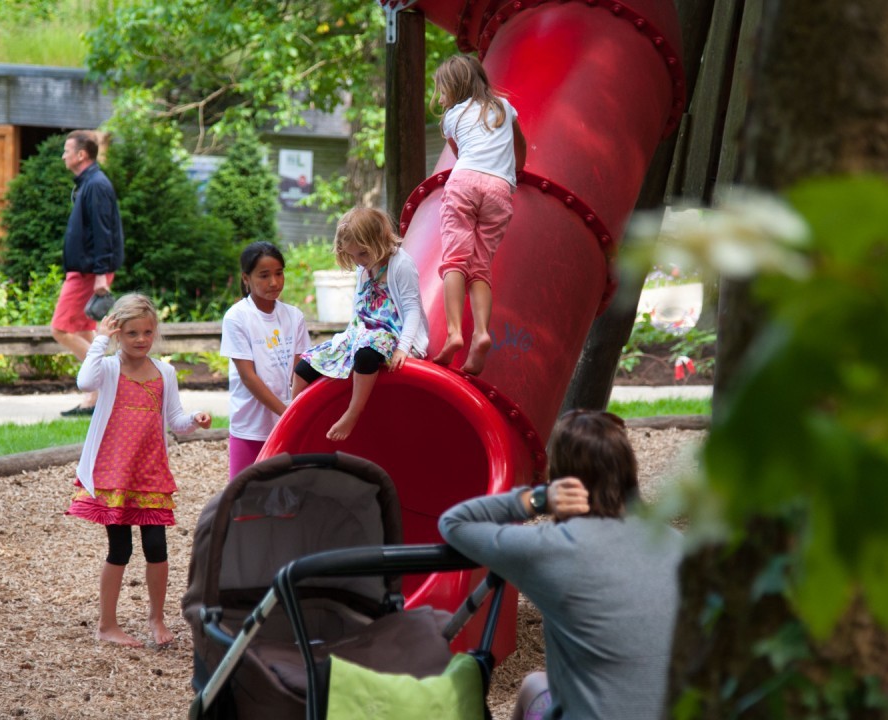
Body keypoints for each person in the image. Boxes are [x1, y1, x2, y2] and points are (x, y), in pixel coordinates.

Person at [438, 410, 682, 719]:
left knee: (533, 685)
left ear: (562, 479)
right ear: (630, 472)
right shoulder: (680, 546)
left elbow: (454, 523)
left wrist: (537, 499)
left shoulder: (550, 547)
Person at [65, 293, 212, 648]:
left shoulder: (165, 372)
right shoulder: (109, 368)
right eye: (132, 333)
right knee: (120, 550)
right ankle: (107, 624)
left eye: (147, 332)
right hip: (116, 473)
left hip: (150, 473)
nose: (141, 340)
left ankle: (156, 618)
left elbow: (175, 420)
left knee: (157, 547)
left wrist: (194, 419)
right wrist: (99, 338)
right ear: (118, 333)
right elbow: (85, 382)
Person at [292, 207, 428, 441]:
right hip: (363, 332)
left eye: (362, 254)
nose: (358, 261)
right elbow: (360, 306)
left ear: (379, 241)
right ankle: (294, 418)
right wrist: (346, 340)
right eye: (353, 256)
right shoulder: (364, 266)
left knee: (365, 355)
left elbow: (412, 308)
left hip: (391, 335)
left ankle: (353, 412)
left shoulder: (401, 265)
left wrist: (404, 348)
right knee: (305, 365)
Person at [430, 54, 526, 375]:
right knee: (480, 267)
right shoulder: (502, 107)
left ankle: (456, 332)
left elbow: (460, 155)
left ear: (454, 89)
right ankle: (482, 333)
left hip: (465, 181)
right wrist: (519, 168)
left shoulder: (452, 117)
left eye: (442, 90)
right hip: (500, 189)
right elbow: (519, 142)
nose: (441, 98)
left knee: (456, 261)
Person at [220, 242, 310, 479]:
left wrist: (292, 412)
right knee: (244, 495)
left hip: (286, 421)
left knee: (285, 493)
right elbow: (248, 377)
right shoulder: (237, 317)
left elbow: (300, 369)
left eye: (279, 273)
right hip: (250, 425)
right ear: (246, 278)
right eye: (264, 275)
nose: (274, 282)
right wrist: (286, 412)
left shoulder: (294, 316)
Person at [53, 129, 126, 416]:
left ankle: (107, 383)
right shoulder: (89, 183)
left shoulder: (96, 184)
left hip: (88, 275)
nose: (63, 155)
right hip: (86, 272)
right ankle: (95, 398)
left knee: (60, 329)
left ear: (81, 154)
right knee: (85, 330)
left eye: (67, 150)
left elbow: (103, 231)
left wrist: (100, 274)